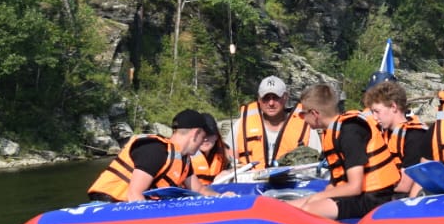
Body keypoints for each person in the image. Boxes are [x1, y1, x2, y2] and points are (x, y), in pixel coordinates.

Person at [289, 83, 401, 220]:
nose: (301, 119)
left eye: (302, 114)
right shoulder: (331, 133)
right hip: (358, 196)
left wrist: (318, 198)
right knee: (287, 207)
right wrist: (317, 198)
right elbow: (336, 181)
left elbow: (355, 187)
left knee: (308, 209)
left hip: (375, 198)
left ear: (314, 114)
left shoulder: (350, 132)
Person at [87, 109, 223, 202]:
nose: (202, 143)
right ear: (195, 134)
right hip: (108, 204)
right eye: (202, 137)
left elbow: (199, 189)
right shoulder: (156, 150)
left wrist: (224, 198)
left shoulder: (184, 159)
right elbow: (134, 194)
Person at [363, 76, 431, 196]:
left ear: (393, 107)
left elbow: (405, 186)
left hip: (405, 198)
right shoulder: (384, 133)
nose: (374, 117)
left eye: (377, 111)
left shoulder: (415, 136)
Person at [233, 75, 317, 170]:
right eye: (266, 98)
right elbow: (229, 161)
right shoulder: (241, 125)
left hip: (293, 181)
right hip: (250, 181)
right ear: (259, 99)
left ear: (285, 97)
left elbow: (317, 161)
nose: (271, 103)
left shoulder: (306, 125)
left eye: (276, 97)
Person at [189, 113, 231, 187]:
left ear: (216, 136)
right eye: (202, 135)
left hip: (216, 193)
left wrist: (228, 172)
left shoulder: (224, 153)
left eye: (210, 135)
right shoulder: (185, 154)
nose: (205, 139)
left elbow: (238, 167)